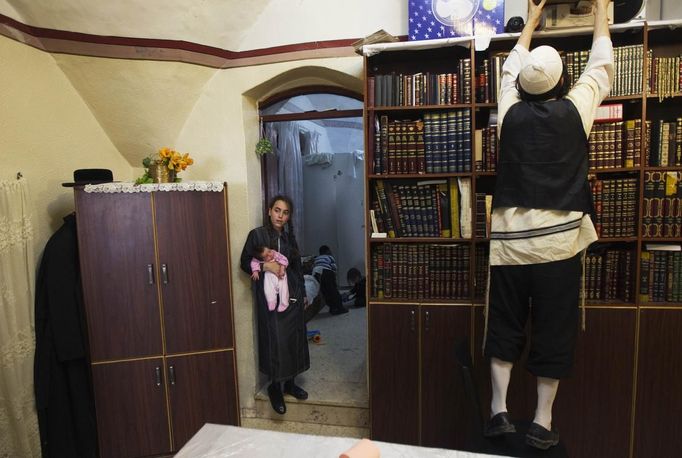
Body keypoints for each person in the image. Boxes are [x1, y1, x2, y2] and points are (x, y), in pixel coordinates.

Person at [483, 0, 613, 450]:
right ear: (562, 83)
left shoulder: (508, 115)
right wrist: (601, 16)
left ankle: (499, 411)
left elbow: (507, 71)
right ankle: (541, 420)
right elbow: (602, 65)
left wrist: (529, 27)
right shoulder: (577, 111)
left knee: (504, 325)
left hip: (510, 247)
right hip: (559, 249)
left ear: (522, 86)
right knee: (554, 330)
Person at [240, 195, 310, 415]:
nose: (280, 216)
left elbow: (297, 266)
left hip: (292, 295)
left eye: (285, 212)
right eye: (277, 210)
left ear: (289, 216)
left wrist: (304, 292)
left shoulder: (290, 239)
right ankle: (275, 387)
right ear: (269, 211)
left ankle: (290, 384)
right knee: (275, 340)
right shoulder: (257, 235)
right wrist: (265, 268)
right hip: (271, 300)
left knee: (293, 338)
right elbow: (244, 262)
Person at [250, 245, 290, 312]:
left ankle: (284, 303)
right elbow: (254, 262)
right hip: (270, 275)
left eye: (269, 251)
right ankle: (271, 302)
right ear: (262, 259)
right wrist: (255, 271)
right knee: (268, 288)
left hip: (280, 273)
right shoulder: (257, 259)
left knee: (283, 288)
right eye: (266, 256)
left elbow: (284, 259)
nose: (270, 254)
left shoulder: (275, 254)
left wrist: (282, 269)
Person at [313, 245, 348, 315]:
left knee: (325, 292)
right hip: (327, 272)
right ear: (328, 251)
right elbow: (334, 267)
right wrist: (334, 278)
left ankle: (332, 308)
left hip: (317, 273)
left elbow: (315, 266)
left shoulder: (317, 258)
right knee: (333, 290)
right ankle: (340, 308)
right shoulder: (330, 257)